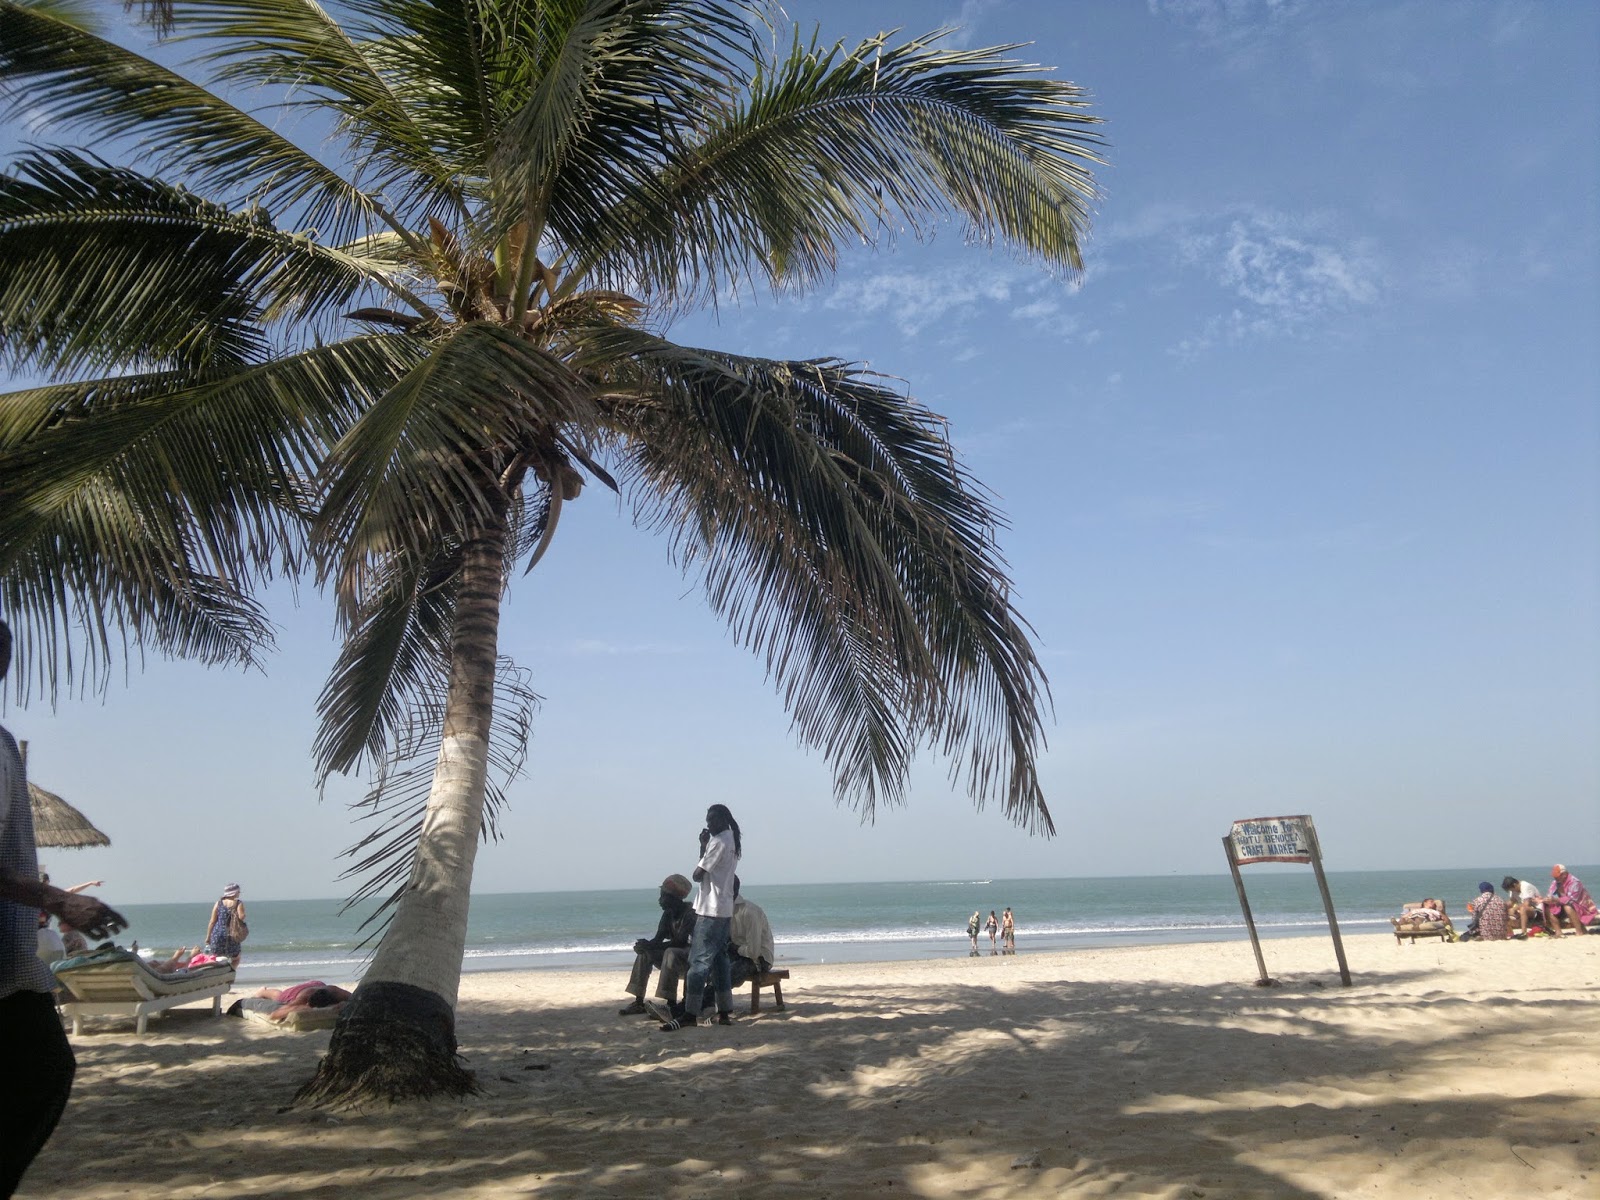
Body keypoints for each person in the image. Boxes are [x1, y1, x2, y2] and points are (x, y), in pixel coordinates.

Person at [0, 618, 128, 1199]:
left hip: (11, 964)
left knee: (43, 1070)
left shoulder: (3, 744)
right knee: (44, 1069)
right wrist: (58, 899)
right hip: (6, 969)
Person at [658, 804, 740, 1031]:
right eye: (707, 821)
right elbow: (708, 871)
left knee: (698, 963)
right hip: (724, 909)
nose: (709, 825)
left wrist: (704, 846)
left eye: (712, 820)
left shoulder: (718, 842)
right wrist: (703, 847)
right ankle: (725, 1011)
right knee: (720, 960)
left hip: (710, 910)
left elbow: (697, 875)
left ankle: (690, 1013)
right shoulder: (732, 839)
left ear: (723, 819)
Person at [619, 874, 695, 1016]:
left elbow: (680, 942)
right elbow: (658, 940)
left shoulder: (690, 913)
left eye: (663, 896)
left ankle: (670, 1003)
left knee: (671, 952)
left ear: (674, 898)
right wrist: (645, 946)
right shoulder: (668, 914)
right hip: (671, 958)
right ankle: (638, 1001)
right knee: (645, 954)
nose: (660, 900)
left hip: (689, 959)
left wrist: (651, 945)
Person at [229, 980, 352, 1022]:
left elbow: (356, 999)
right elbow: (274, 1015)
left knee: (279, 995)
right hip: (296, 992)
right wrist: (301, 1008)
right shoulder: (302, 999)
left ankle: (263, 991)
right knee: (279, 996)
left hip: (318, 983)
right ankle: (262, 992)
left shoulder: (335, 991)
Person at [1543, 865, 1597, 936]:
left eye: (1557, 876)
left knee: (1568, 907)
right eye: (1555, 876)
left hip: (1581, 906)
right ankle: (1558, 932)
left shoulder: (1575, 882)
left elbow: (1572, 899)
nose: (1555, 878)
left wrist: (1555, 899)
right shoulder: (1555, 883)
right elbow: (1550, 894)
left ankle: (1579, 931)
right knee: (1548, 907)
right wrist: (1547, 899)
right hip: (1563, 904)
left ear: (1564, 874)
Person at [203, 883, 247, 965]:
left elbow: (212, 922)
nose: (239, 893)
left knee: (215, 957)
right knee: (236, 958)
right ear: (234, 892)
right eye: (238, 891)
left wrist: (208, 937)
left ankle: (217, 971)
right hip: (232, 934)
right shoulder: (238, 903)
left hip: (218, 934)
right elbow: (242, 916)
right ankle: (231, 970)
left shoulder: (218, 903)